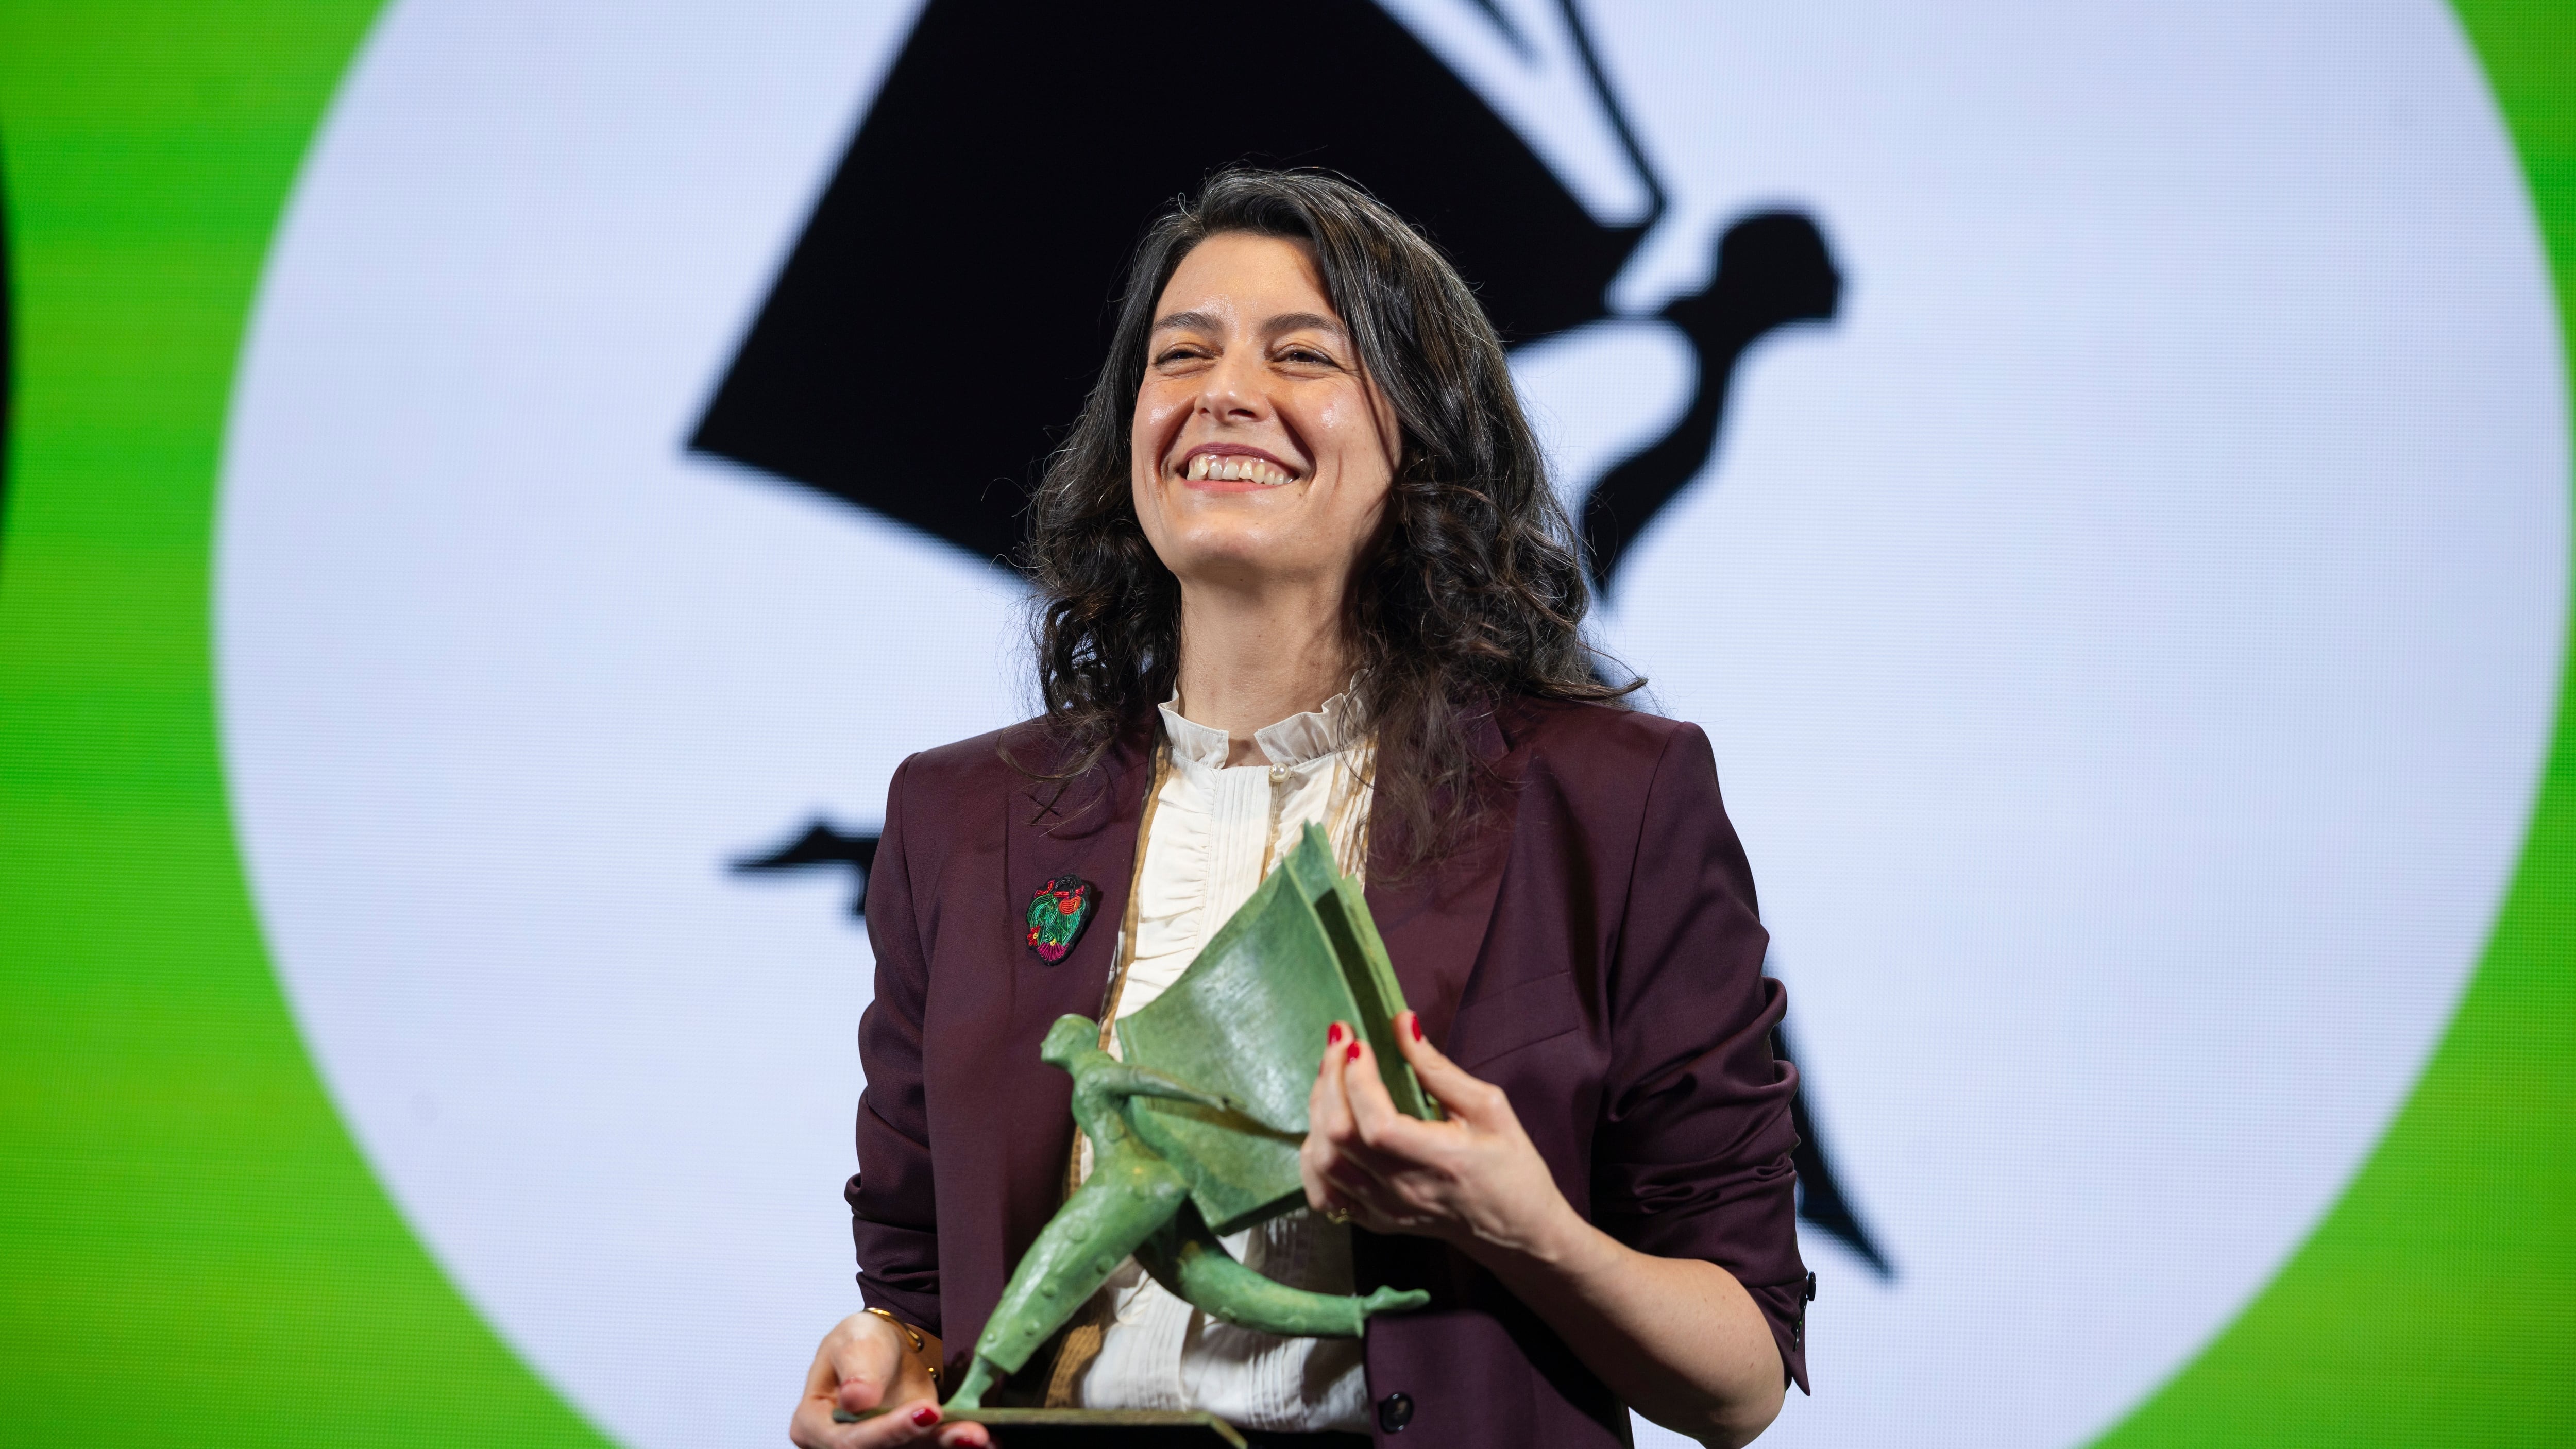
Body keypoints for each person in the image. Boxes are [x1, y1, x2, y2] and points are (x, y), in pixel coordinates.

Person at [788, 168, 1807, 1449]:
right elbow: (917, 1302)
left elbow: (1740, 1378)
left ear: (1417, 438)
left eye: (1303, 354)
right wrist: (883, 1363)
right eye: (1183, 353)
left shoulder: (1610, 800)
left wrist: (1524, 1225)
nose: (1224, 390)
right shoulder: (954, 817)